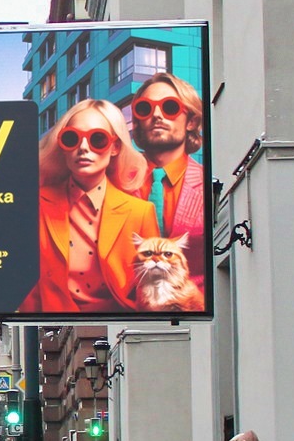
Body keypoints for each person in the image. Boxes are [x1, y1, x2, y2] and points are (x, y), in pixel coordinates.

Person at [19, 98, 161, 314]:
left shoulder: (140, 213)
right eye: (71, 138)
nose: (83, 148)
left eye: (97, 139)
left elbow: (154, 287)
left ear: (115, 147)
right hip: (52, 328)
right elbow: (27, 288)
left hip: (122, 326)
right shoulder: (35, 204)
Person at [126, 73, 207, 280]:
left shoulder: (208, 184)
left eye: (169, 107)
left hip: (192, 306)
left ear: (191, 121)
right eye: (145, 108)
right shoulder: (116, 181)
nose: (157, 115)